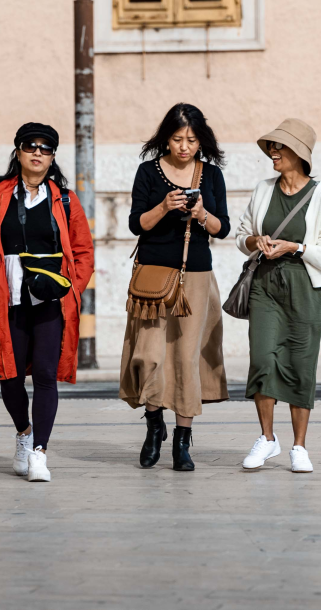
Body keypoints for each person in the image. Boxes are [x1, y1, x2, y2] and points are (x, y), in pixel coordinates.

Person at [0, 122, 95, 483]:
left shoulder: (65, 200)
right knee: (8, 377)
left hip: (51, 301)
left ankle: (39, 452)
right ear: (19, 152)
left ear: (53, 156)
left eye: (45, 147)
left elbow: (84, 251)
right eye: (30, 146)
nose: (37, 152)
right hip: (8, 299)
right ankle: (23, 433)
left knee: (44, 375)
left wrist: (71, 288)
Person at [119, 103, 230, 471]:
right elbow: (136, 223)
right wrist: (165, 206)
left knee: (185, 359)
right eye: (178, 139)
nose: (185, 147)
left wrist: (202, 214)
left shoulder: (210, 175)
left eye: (192, 140)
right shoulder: (147, 172)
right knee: (149, 355)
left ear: (202, 141)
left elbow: (223, 228)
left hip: (195, 277)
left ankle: (183, 441)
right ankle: (154, 426)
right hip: (153, 277)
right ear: (166, 138)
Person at [233, 119, 321, 473]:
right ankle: (267, 439)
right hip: (265, 286)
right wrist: (257, 241)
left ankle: (299, 446)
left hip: (303, 287)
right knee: (262, 360)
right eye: (272, 146)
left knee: (300, 364)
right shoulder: (263, 190)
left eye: (279, 146)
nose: (273, 152)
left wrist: (296, 247)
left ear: (299, 152)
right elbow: (241, 235)